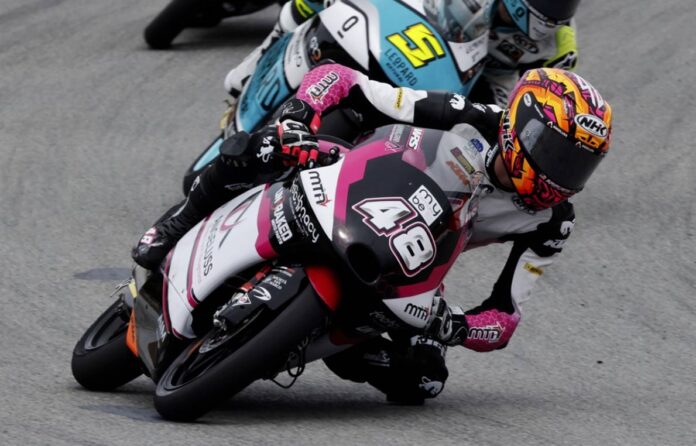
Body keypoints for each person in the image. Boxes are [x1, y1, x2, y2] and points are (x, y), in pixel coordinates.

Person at [132, 63, 612, 403]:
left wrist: (459, 328)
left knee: (424, 379)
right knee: (263, 147)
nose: (562, 173)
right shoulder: (465, 114)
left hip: (412, 259)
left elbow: (505, 316)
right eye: (556, 153)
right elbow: (343, 80)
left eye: (578, 164)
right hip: (351, 180)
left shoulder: (553, 221)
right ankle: (175, 225)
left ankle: (341, 346)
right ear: (521, 126)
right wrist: (300, 114)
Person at [224, 0, 581, 107]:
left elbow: (539, 100)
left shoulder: (560, 46)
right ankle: (256, 63)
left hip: (484, 77)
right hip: (429, 36)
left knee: (488, 130)